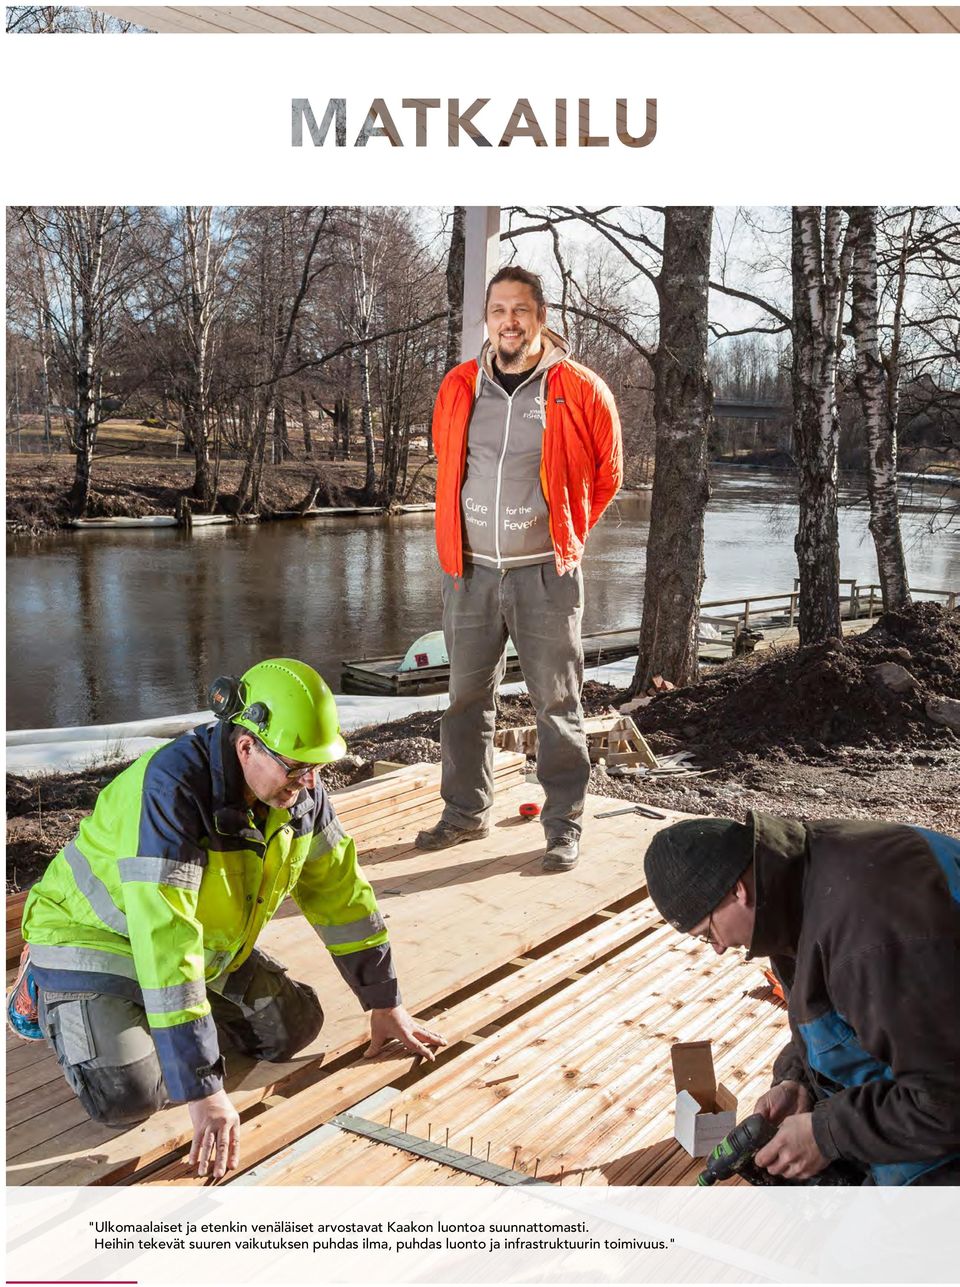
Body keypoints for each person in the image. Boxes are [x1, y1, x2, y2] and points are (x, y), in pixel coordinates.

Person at [11, 658, 444, 1179]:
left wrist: (384, 1002)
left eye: (317, 768)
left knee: (293, 1028)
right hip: (94, 939)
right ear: (247, 747)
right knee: (127, 1096)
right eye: (297, 768)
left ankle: (152, 1022)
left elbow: (342, 896)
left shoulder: (298, 792)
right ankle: (45, 985)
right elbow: (165, 933)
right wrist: (203, 1088)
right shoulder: (172, 793)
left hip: (202, 940)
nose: (308, 784)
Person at [417, 265, 623, 872]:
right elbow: (449, 460)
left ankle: (563, 825)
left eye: (521, 310)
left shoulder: (581, 389)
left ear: (542, 318)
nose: (510, 321)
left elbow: (607, 476)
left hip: (545, 575)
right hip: (470, 573)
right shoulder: (459, 386)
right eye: (499, 310)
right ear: (489, 318)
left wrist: (564, 533)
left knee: (557, 705)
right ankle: (464, 814)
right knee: (464, 701)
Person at [643, 812, 960, 1185]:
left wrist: (827, 1135)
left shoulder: (871, 939)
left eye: (706, 932)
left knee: (881, 1236)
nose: (717, 948)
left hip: (945, 1097)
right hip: (935, 1053)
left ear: (737, 892)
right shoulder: (793, 879)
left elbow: (947, 1099)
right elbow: (839, 1008)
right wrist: (799, 1083)